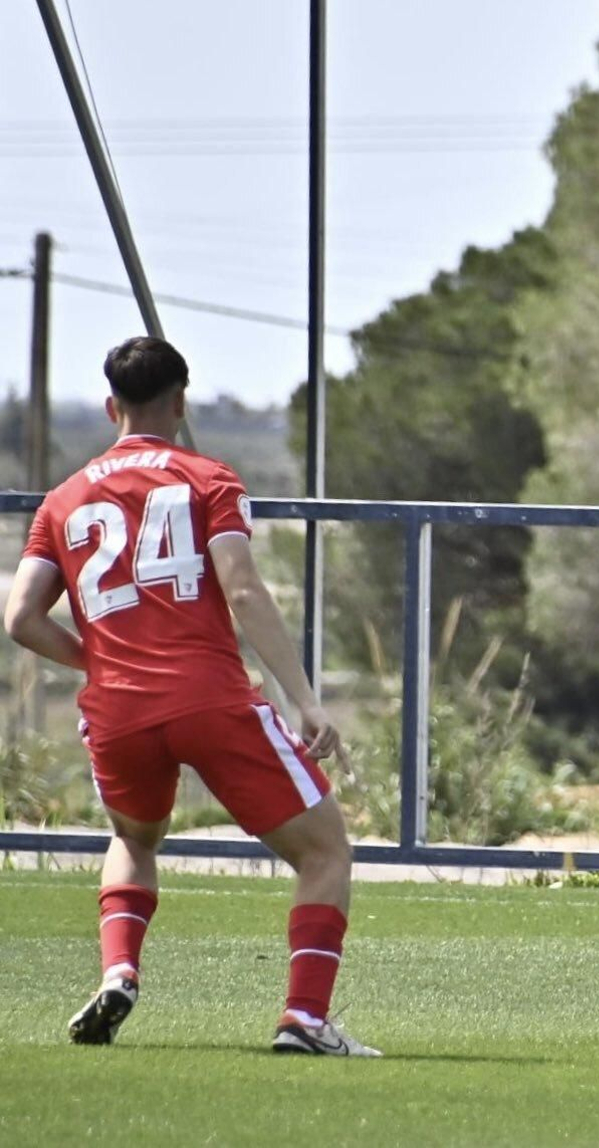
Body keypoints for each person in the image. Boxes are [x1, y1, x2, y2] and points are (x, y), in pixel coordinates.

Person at [3, 336, 380, 1055]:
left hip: (116, 709)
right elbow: (240, 586)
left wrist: (100, 662)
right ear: (180, 401)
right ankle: (303, 1019)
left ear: (112, 405)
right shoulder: (207, 478)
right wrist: (303, 698)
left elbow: (20, 619)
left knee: (133, 839)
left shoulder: (62, 500)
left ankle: (119, 970)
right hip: (208, 699)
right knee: (325, 851)